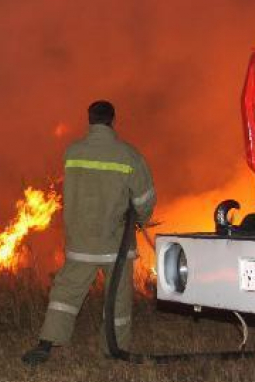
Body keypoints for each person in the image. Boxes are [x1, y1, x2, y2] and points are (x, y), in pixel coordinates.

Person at [22, 100, 155, 365]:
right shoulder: (128, 155)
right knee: (117, 299)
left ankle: (47, 343)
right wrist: (139, 219)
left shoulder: (73, 152)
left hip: (81, 241)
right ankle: (114, 349)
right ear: (113, 120)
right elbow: (144, 197)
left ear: (89, 119)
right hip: (115, 243)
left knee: (65, 293)